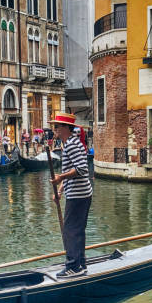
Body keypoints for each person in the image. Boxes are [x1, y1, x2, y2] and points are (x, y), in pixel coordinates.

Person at [49, 113, 93, 277]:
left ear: (66, 128)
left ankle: (73, 267)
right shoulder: (71, 143)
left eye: (57, 126)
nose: (55, 129)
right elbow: (71, 170)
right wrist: (60, 190)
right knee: (77, 230)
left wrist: (61, 177)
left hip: (78, 195)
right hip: (80, 193)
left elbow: (81, 169)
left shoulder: (72, 145)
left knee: (71, 230)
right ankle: (81, 263)